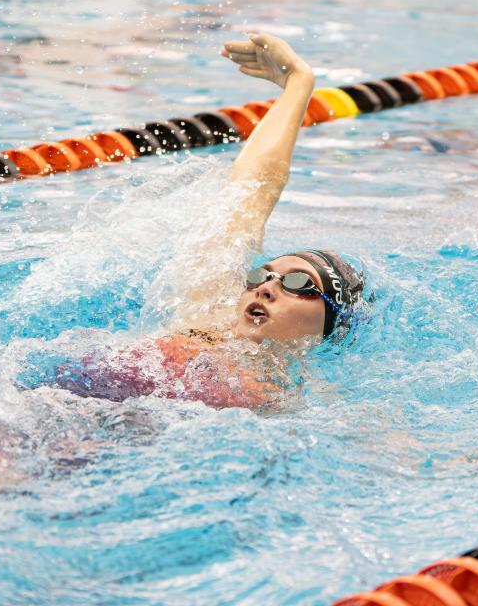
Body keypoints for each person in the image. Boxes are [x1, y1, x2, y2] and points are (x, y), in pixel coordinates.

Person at [53, 33, 366, 410]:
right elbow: (252, 190)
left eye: (299, 284)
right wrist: (299, 83)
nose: (265, 288)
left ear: (331, 326)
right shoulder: (204, 311)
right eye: (261, 276)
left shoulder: (284, 400)